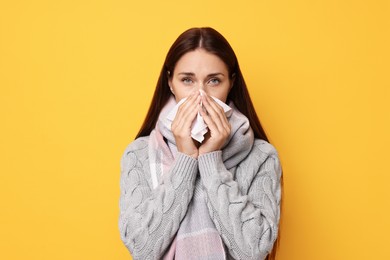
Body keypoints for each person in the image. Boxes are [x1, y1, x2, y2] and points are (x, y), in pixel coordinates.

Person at [119, 27, 282, 260]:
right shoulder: (138, 155)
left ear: (231, 83)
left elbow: (253, 250)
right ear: (170, 83)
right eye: (187, 80)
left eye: (214, 81)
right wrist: (185, 159)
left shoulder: (262, 156)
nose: (201, 95)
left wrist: (210, 160)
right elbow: (142, 248)